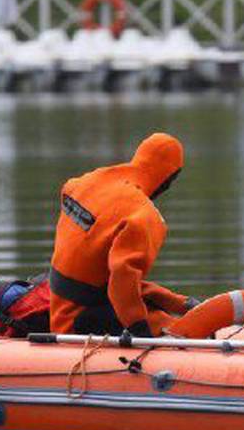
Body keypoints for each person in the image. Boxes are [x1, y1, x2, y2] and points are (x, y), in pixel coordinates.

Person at [49, 132, 198, 336]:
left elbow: (102, 276)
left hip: (58, 309)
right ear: (170, 179)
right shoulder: (141, 216)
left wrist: (180, 303)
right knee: (177, 330)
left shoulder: (87, 182)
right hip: (77, 321)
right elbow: (122, 283)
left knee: (159, 313)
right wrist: (141, 333)